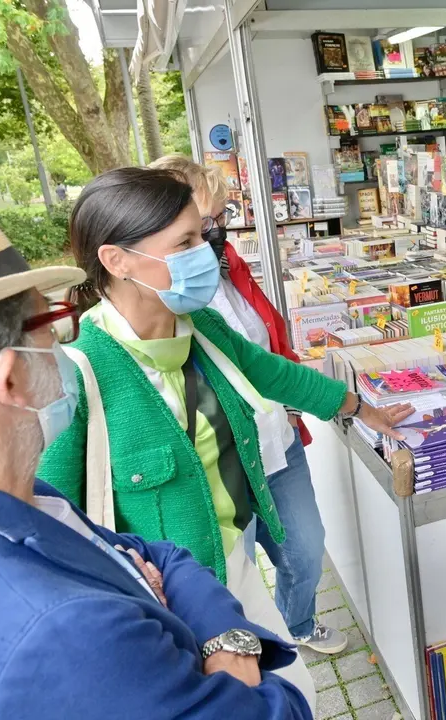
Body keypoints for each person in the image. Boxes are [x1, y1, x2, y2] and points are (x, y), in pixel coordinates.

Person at [0, 180, 311, 718]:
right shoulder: (67, 631)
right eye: (50, 323)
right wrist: (236, 660)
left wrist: (222, 632)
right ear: (6, 379)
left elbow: (155, 555)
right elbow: (276, 710)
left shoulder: (10, 499)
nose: (64, 341)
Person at [35, 168, 411, 696]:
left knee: (294, 689)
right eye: (185, 242)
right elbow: (50, 518)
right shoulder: (81, 371)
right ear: (116, 260)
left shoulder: (201, 331)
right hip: (165, 607)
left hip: (234, 566)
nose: (205, 254)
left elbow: (272, 372)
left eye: (205, 236)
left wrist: (356, 406)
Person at [150, 154, 344, 654]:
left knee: (304, 548)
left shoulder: (226, 266)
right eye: (199, 226)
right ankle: (262, 644)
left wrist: (333, 402)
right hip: (224, 459)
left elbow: (265, 354)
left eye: (218, 221)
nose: (215, 235)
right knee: (234, 570)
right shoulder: (158, 303)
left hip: (275, 439)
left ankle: (295, 626)